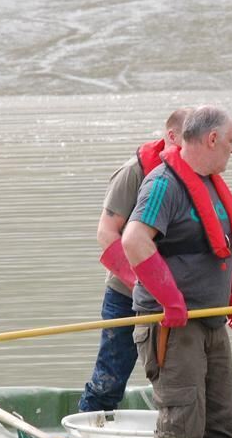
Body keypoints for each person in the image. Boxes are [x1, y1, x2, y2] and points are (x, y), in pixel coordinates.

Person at [121, 106, 232, 438]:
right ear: (211, 139)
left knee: (222, 423)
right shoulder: (163, 184)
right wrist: (170, 298)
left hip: (209, 322)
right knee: (181, 427)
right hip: (173, 326)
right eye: (231, 141)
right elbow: (134, 240)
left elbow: (211, 249)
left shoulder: (208, 183)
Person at [77, 108, 192, 413]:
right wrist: (146, 284)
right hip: (127, 293)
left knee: (184, 379)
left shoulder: (196, 174)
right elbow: (107, 233)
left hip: (178, 296)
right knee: (109, 381)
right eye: (189, 136)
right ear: (172, 136)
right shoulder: (134, 172)